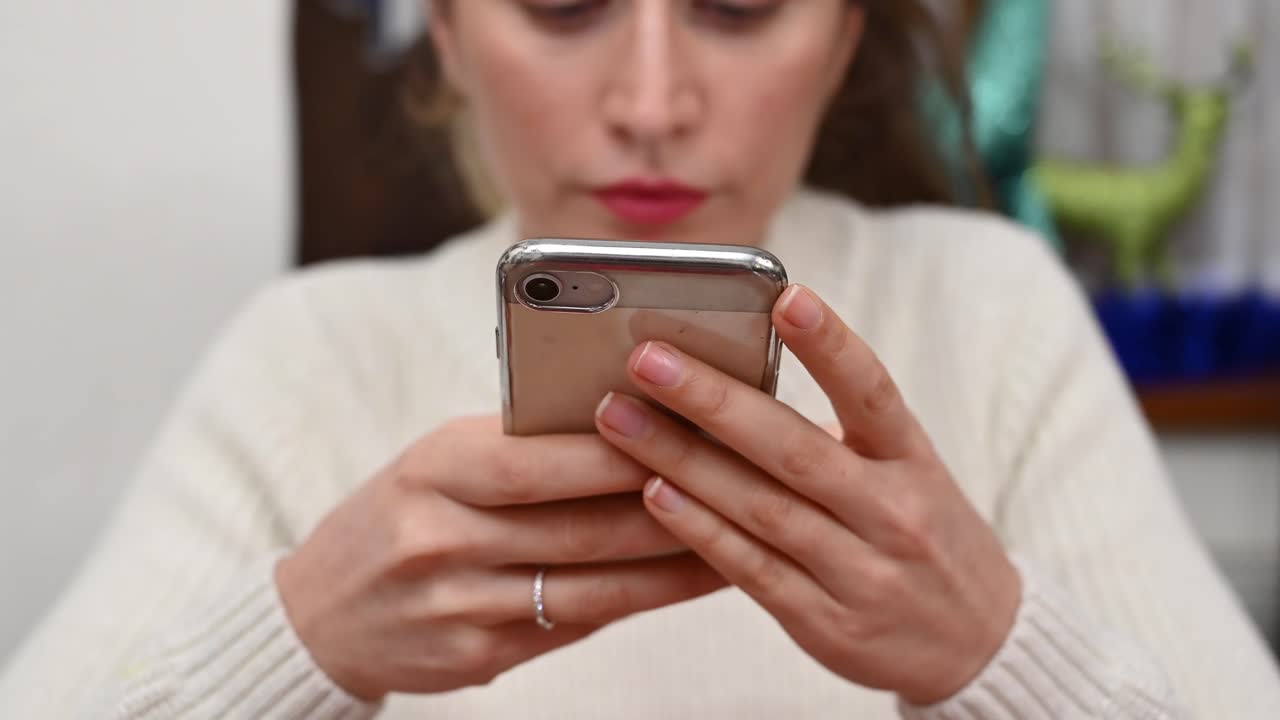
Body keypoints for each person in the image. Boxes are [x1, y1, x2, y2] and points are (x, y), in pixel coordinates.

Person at [2, 1, 1278, 717]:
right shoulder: (305, 354)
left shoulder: (994, 311)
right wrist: (300, 640)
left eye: (739, 8)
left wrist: (998, 651)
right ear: (445, 32)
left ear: (838, 40)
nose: (652, 100)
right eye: (562, 6)